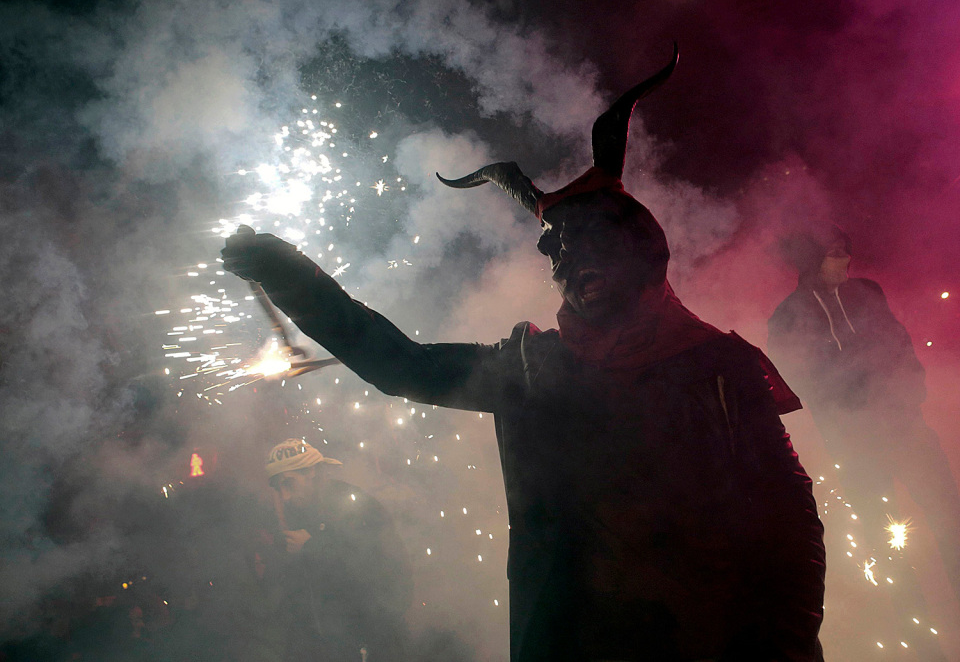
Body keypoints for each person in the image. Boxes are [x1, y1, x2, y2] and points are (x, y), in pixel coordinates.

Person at [226, 48, 826, 661]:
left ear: (642, 247)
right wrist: (290, 275)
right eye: (557, 249)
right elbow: (400, 365)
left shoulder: (719, 366)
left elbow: (791, 526)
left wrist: (785, 646)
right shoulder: (533, 369)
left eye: (589, 240)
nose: (569, 260)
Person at [768, 223, 960, 655]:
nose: (844, 260)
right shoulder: (787, 318)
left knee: (951, 517)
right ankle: (923, 641)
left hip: (906, 427)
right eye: (833, 252)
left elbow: (900, 345)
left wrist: (908, 394)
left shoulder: (867, 293)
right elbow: (798, 382)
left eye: (845, 251)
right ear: (811, 259)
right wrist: (848, 411)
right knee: (884, 541)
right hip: (854, 446)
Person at [266, 439, 412, 661]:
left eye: (289, 484)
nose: (285, 496)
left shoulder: (354, 506)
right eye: (279, 489)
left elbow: (388, 576)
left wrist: (313, 546)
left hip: (373, 646)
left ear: (311, 472)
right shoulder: (296, 517)